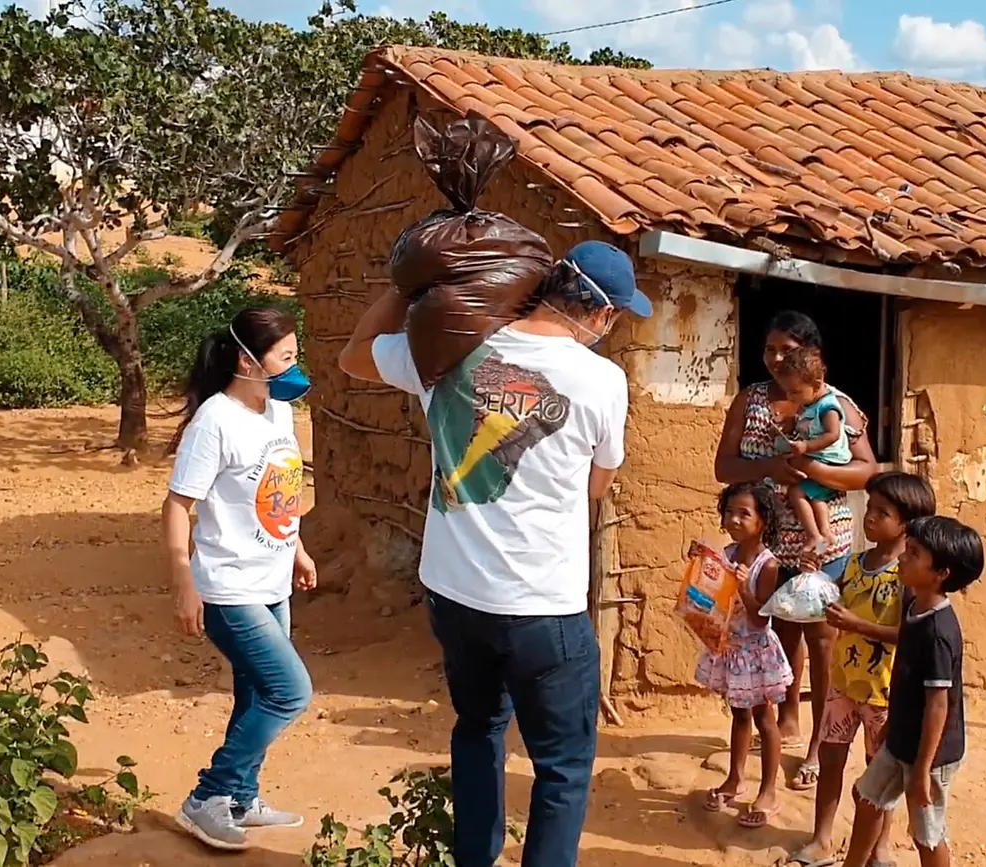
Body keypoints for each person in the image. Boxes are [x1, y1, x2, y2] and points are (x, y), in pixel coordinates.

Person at [338, 241, 652, 867]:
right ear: (601, 314)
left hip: (456, 597)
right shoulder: (601, 380)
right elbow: (597, 483)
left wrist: (408, 288)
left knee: (478, 730)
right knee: (562, 767)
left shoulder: (446, 348)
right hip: (545, 609)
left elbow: (351, 358)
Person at [162, 307, 316, 851]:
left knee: (255, 694)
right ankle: (209, 795)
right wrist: (184, 578)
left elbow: (282, 489)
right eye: (286, 356)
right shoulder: (215, 423)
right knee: (290, 691)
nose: (295, 366)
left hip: (271, 580)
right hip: (227, 587)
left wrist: (296, 548)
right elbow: (179, 505)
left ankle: (242, 799)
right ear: (248, 361)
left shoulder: (279, 414)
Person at [714, 310, 877, 791]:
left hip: (821, 541)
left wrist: (814, 474)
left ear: (812, 357)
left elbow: (867, 470)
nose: (775, 358)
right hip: (766, 543)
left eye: (786, 350)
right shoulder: (752, 400)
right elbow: (725, 466)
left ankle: (816, 748)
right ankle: (786, 723)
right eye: (769, 350)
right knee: (777, 634)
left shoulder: (836, 404)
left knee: (822, 640)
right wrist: (772, 465)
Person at [788, 472, 936, 867]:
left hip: (885, 693)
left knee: (881, 775)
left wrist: (857, 625)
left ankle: (878, 847)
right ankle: (822, 839)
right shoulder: (854, 563)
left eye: (882, 512)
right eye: (869, 508)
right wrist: (812, 573)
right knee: (831, 758)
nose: (869, 517)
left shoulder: (908, 578)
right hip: (844, 685)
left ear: (905, 524)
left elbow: (910, 634)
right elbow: (827, 597)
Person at [840, 516, 984, 867]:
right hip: (903, 740)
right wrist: (891, 727)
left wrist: (921, 771)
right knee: (867, 796)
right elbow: (904, 676)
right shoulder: (913, 607)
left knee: (927, 833)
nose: (903, 556)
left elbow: (938, 707)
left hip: (931, 755)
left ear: (941, 573)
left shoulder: (938, 633)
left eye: (915, 553)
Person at [696, 481, 795, 829]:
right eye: (729, 512)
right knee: (739, 716)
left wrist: (741, 586)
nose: (734, 520)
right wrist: (705, 565)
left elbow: (761, 617)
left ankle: (768, 791)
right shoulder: (728, 553)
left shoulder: (767, 566)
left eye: (744, 513)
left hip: (756, 653)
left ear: (763, 521)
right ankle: (734, 780)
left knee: (765, 721)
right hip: (733, 650)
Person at [776, 345, 851, 556]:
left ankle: (814, 536)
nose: (791, 397)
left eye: (795, 392)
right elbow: (804, 425)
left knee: (797, 492)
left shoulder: (828, 406)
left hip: (829, 461)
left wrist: (806, 447)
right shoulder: (808, 403)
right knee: (816, 497)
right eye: (788, 392)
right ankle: (825, 534)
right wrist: (788, 424)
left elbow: (833, 434)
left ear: (816, 385)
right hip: (817, 459)